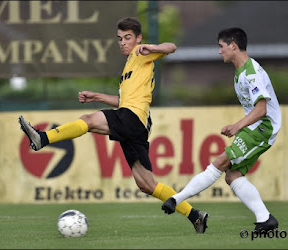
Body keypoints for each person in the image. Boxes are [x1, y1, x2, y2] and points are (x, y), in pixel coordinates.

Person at [18, 17, 208, 233]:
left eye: (128, 38)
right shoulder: (130, 66)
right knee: (146, 184)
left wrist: (150, 47)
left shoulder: (141, 53)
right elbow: (123, 101)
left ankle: (42, 139)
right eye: (119, 39)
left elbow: (171, 47)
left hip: (133, 118)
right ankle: (195, 216)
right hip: (135, 122)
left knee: (89, 121)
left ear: (138, 38)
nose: (123, 42)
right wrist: (96, 96)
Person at [162, 27, 281, 233]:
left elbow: (261, 109)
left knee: (220, 162)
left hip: (263, 128)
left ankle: (176, 199)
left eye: (221, 46)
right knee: (232, 175)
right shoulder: (241, 72)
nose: (219, 51)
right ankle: (265, 219)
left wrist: (237, 125)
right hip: (255, 127)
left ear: (233, 45)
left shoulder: (251, 74)